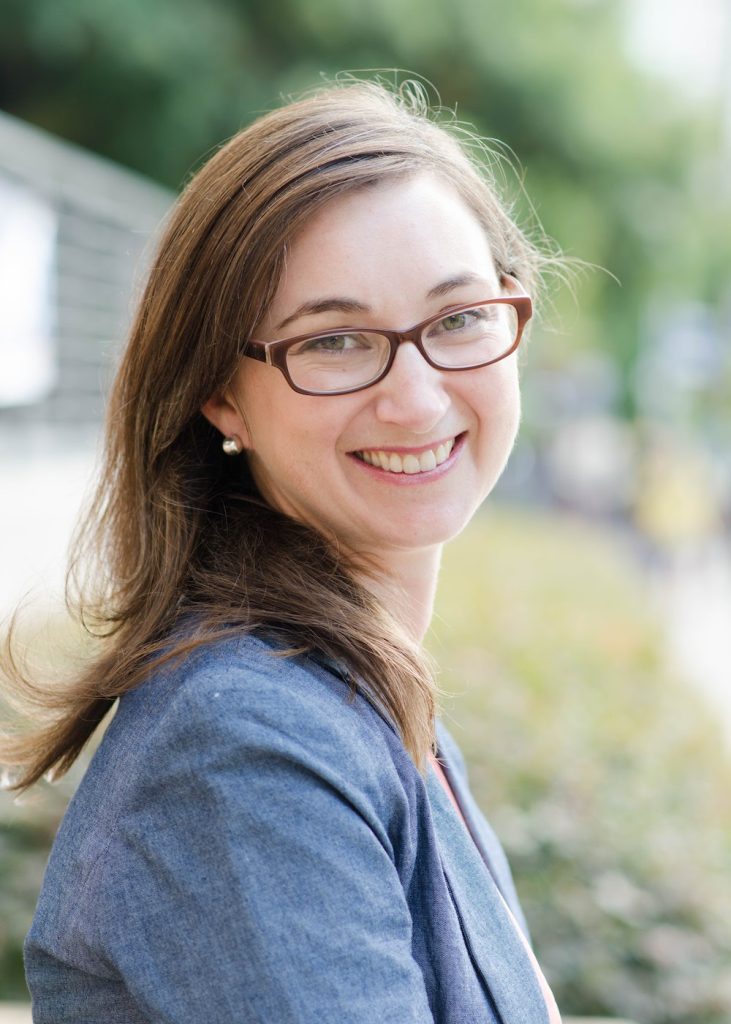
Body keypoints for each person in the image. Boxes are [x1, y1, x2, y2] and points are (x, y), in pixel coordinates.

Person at [2, 80, 561, 1022]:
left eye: (459, 318)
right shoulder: (241, 748)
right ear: (221, 394)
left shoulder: (364, 688)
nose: (417, 399)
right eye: (335, 341)